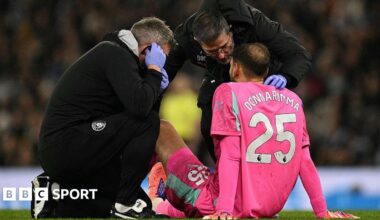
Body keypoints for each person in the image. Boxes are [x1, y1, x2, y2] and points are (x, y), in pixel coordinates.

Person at [152, 43, 358, 219]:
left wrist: (224, 211)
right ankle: (165, 205)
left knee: (162, 128)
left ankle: (153, 199)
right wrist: (322, 212)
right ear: (265, 71)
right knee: (194, 197)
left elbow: (231, 156)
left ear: (236, 68)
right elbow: (305, 161)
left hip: (221, 201)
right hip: (268, 207)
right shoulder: (294, 100)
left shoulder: (228, 91)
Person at [36, 17, 174, 218]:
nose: (162, 64)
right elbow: (141, 111)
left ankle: (51, 196)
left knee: (139, 203)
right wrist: (153, 73)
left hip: (80, 146)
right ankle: (125, 205)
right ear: (148, 50)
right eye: (162, 56)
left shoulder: (123, 59)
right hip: (64, 144)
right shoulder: (114, 54)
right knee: (147, 123)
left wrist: (155, 89)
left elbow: (139, 113)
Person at [164, 0, 312, 161]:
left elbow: (299, 54)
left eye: (224, 46)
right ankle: (223, 167)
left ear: (230, 31)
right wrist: (154, 84)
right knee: (208, 120)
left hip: (260, 75)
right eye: (212, 51)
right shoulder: (185, 39)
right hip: (220, 74)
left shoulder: (255, 24)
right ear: (198, 42)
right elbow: (167, 69)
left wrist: (286, 76)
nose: (221, 55)